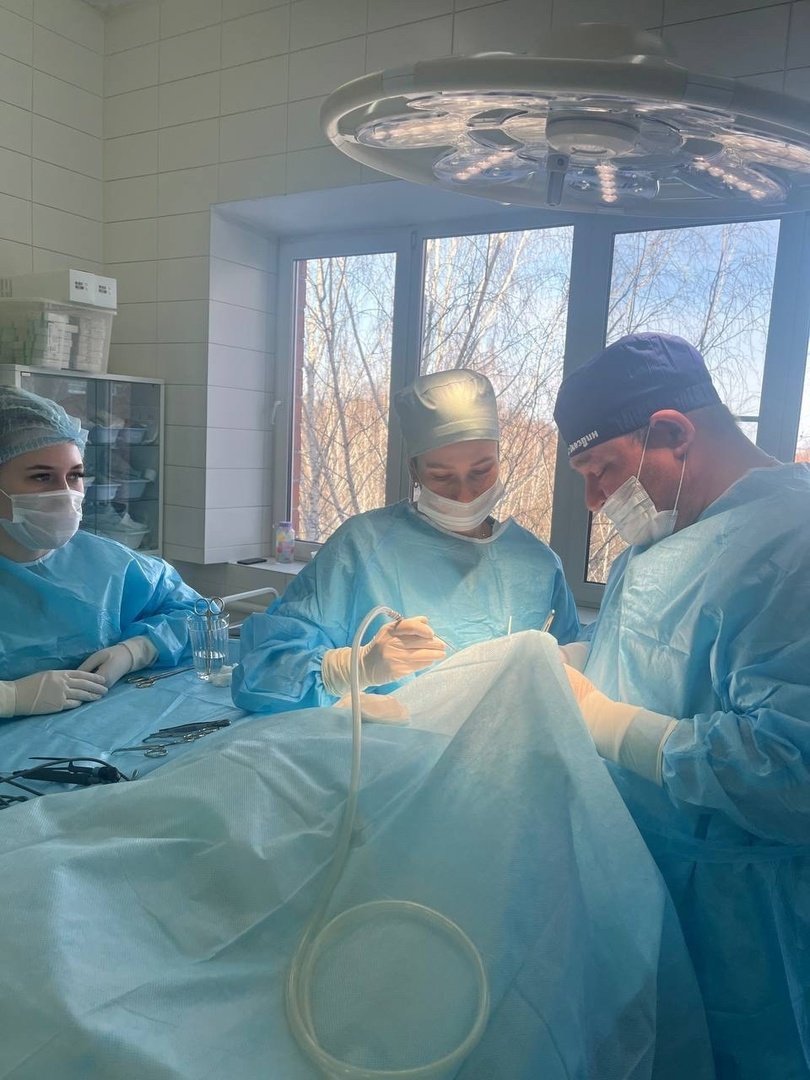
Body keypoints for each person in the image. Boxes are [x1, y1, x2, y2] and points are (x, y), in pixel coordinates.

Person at [552, 331, 810, 1078]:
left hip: (749, 927)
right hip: (649, 890)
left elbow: (792, 769)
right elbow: (657, 661)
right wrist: (570, 663)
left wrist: (610, 726)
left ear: (671, 433)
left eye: (601, 471)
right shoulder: (662, 539)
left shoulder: (793, 547)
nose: (594, 502)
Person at [233, 368, 579, 713]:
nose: (464, 494)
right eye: (441, 476)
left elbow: (578, 683)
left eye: (481, 471)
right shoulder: (361, 548)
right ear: (414, 470)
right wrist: (353, 668)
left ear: (500, 458)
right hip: (382, 746)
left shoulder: (538, 565)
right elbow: (259, 674)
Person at [0, 385, 203, 719]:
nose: (65, 493)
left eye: (75, 476)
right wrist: (10, 697)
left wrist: (137, 650)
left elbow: (198, 613)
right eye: (42, 477)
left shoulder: (108, 564)